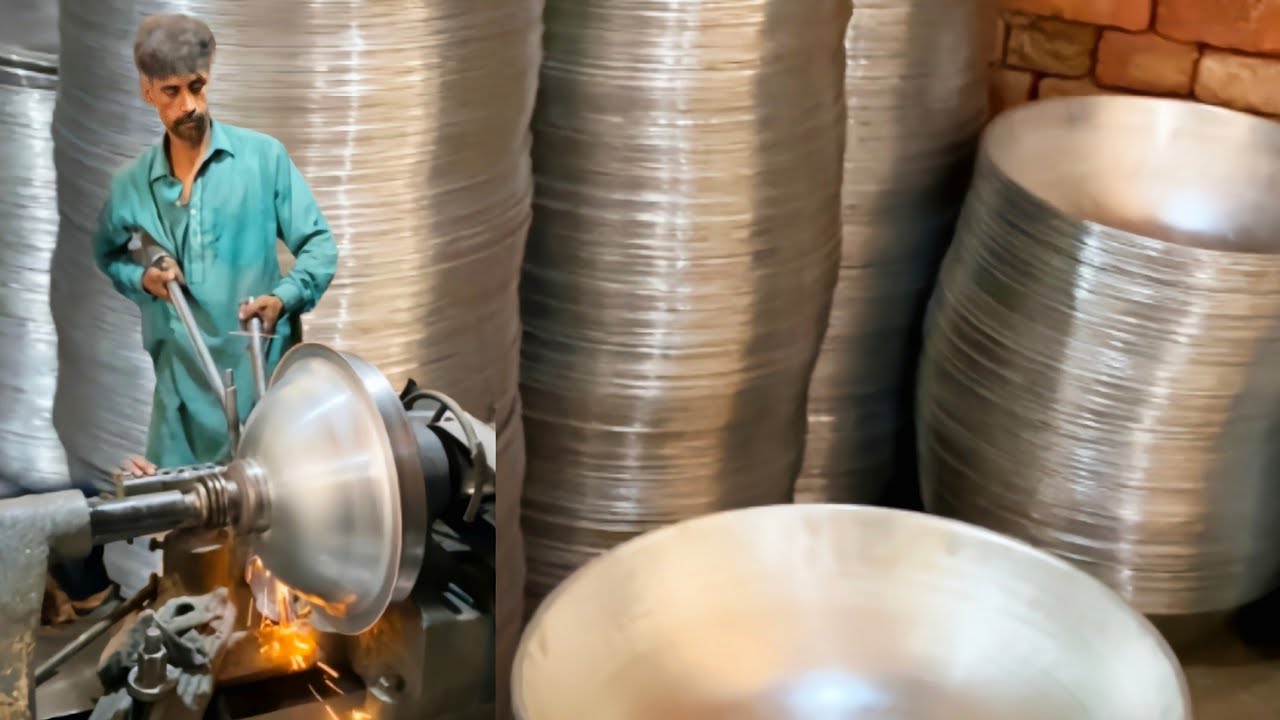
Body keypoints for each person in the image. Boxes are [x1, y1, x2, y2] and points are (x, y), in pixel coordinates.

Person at [94, 13, 338, 476]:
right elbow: (107, 253)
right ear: (147, 91)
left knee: (270, 531)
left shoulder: (263, 159)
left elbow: (319, 245)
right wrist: (143, 278)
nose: (190, 105)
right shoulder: (130, 185)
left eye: (197, 86)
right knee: (189, 537)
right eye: (172, 92)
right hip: (180, 409)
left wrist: (282, 298)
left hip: (263, 393)